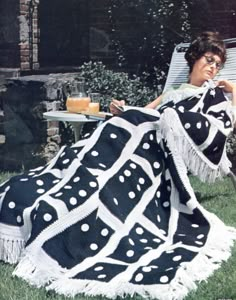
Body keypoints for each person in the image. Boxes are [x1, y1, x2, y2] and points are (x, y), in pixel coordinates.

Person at [0, 32, 236, 300]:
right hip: (137, 133)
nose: (213, 67)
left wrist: (233, 92)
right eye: (209, 60)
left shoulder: (213, 95)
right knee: (88, 154)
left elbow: (222, 125)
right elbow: (144, 112)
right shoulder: (173, 91)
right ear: (194, 58)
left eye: (218, 64)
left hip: (156, 148)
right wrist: (121, 109)